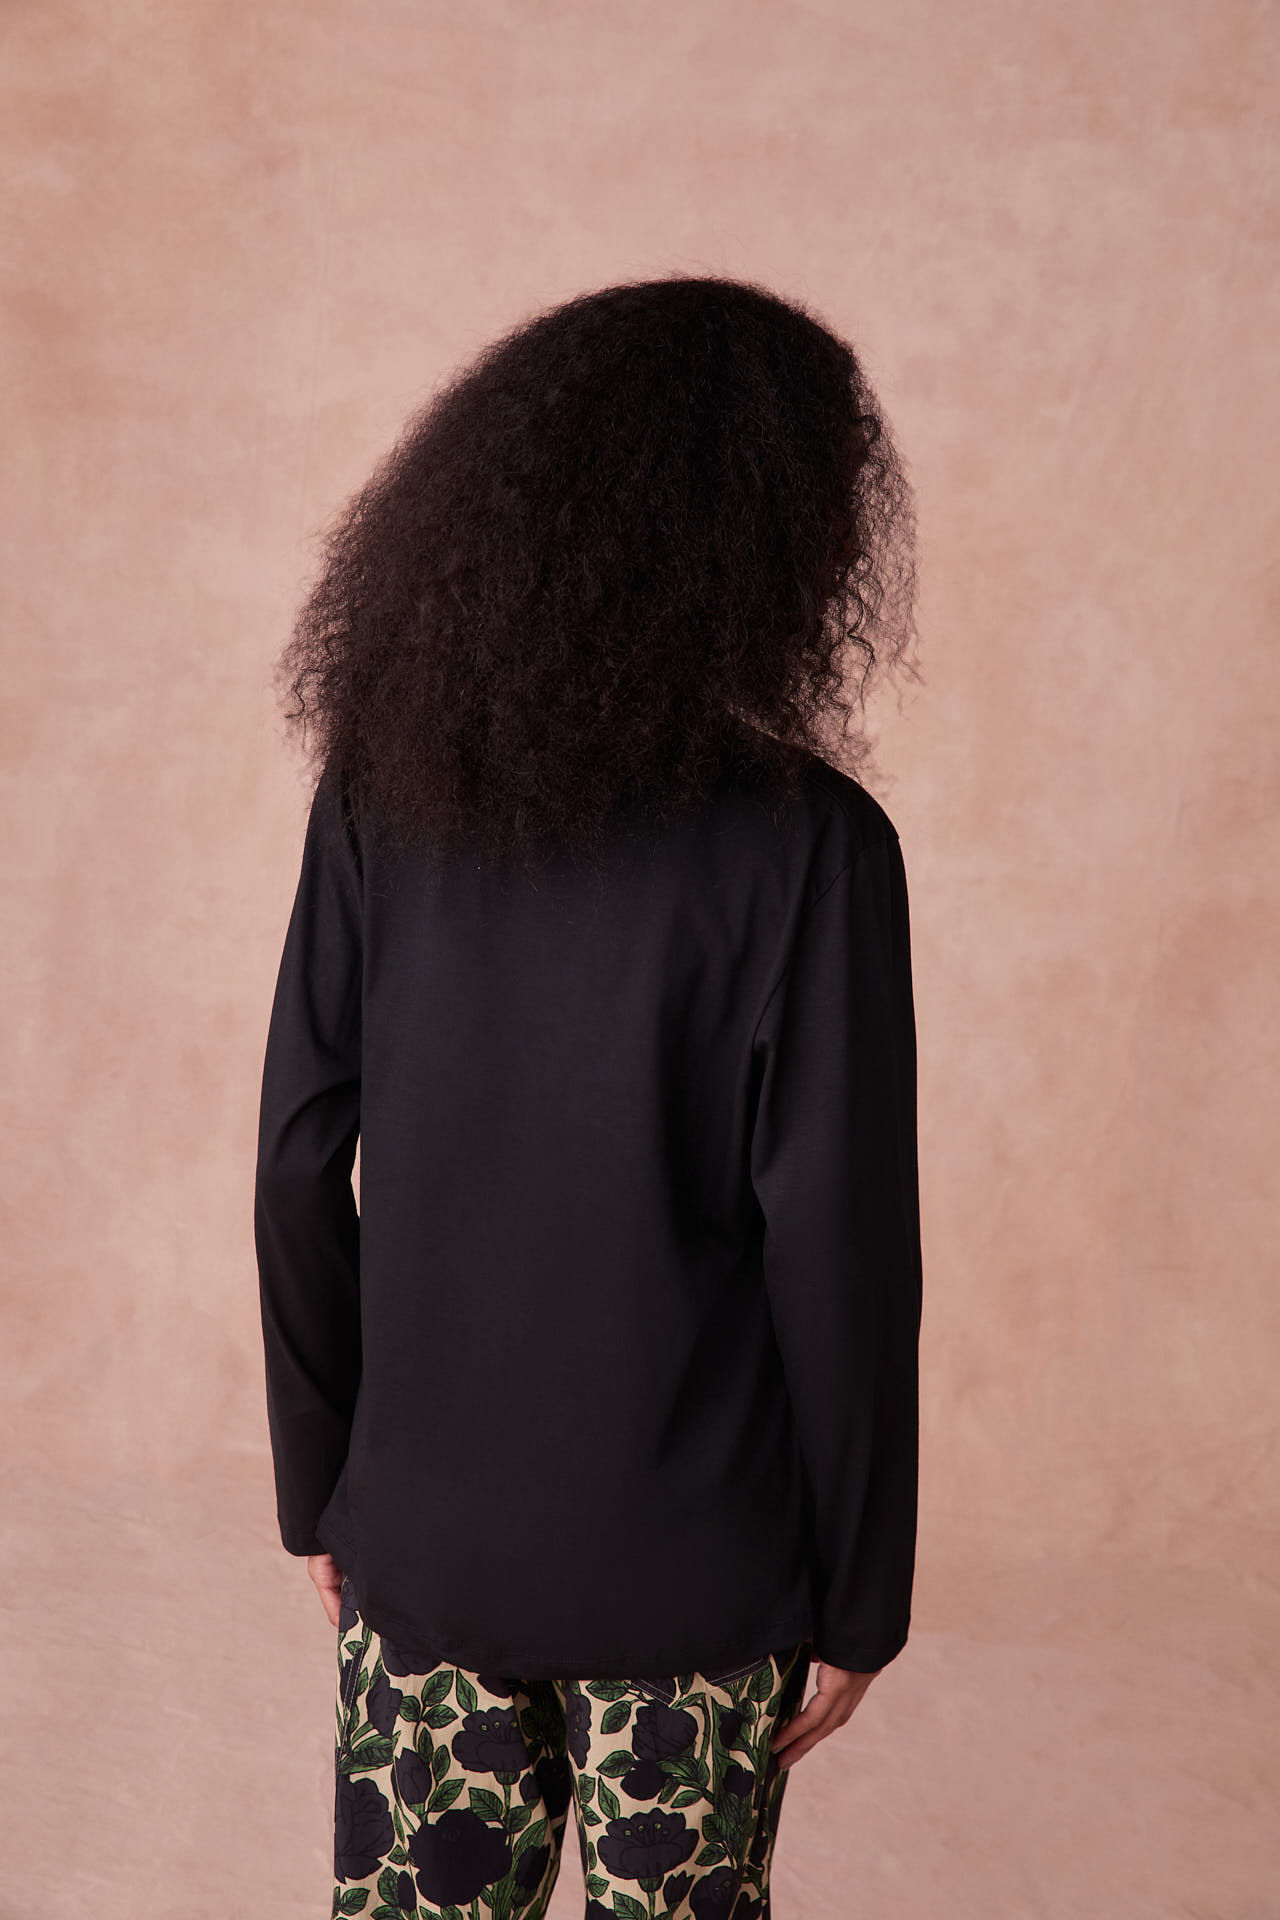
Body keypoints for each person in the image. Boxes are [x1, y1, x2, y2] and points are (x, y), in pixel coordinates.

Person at [254, 272, 924, 1919]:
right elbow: (836, 1254)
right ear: (776, 543)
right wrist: (860, 1592)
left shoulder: (380, 796)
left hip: (425, 1548)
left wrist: (326, 1483)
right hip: (693, 1590)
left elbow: (298, 1163)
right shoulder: (814, 853)